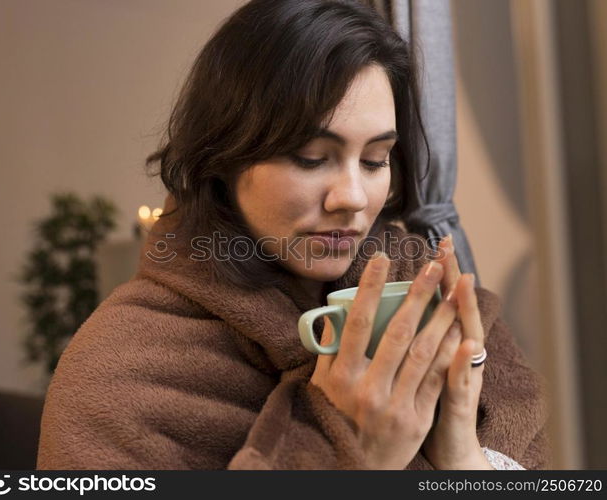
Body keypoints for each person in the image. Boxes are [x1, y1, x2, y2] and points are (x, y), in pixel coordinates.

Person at [37, 0, 550, 470]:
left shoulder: (432, 297)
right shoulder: (121, 373)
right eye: (311, 157)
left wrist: (460, 454)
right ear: (225, 154)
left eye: (375, 160)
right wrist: (348, 455)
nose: (351, 196)